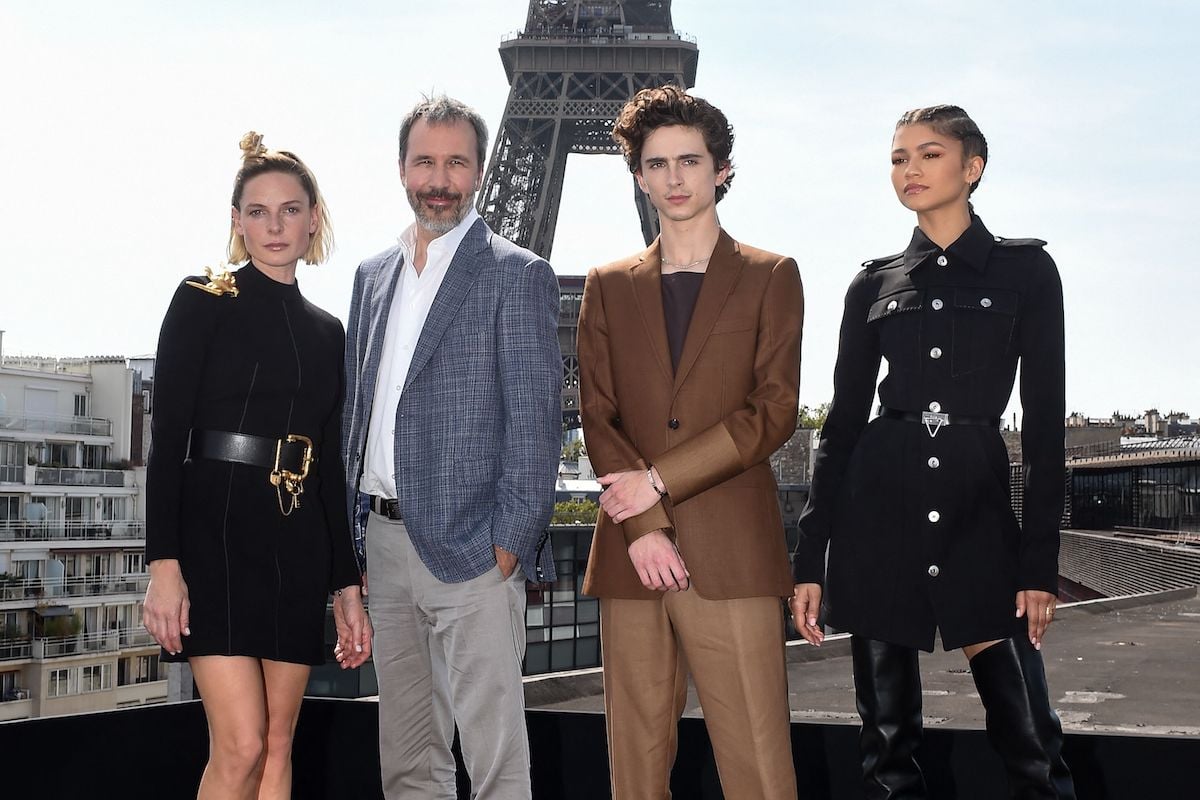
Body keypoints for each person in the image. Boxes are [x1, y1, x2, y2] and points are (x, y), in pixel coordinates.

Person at [791, 105, 1076, 799]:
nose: (909, 170)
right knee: (887, 750)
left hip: (979, 521)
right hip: (877, 520)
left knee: (1032, 739)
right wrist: (810, 558)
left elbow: (1042, 432)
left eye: (928, 154)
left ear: (971, 168)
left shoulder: (1028, 272)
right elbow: (842, 428)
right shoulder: (872, 284)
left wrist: (1038, 564)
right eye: (897, 158)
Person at [577, 85, 803, 799]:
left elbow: (773, 412)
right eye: (657, 164)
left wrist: (659, 482)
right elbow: (597, 416)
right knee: (633, 776)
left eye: (690, 161)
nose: (674, 179)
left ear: (722, 171)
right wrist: (643, 524)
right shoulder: (606, 285)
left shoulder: (772, 276)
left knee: (760, 771)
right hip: (630, 554)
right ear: (638, 175)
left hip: (732, 553)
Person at [341, 95, 560, 799]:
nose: (440, 178)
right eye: (425, 160)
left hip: (474, 549)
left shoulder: (516, 272)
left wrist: (508, 544)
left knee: (495, 760)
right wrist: (355, 541)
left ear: (482, 169)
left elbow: (535, 424)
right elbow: (357, 409)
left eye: (456, 162)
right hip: (384, 540)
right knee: (408, 758)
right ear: (402, 167)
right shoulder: (372, 277)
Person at [143, 132, 371, 800]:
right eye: (258, 211)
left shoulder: (329, 332)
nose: (275, 226)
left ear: (313, 220)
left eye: (291, 210)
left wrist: (348, 586)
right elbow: (166, 438)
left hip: (295, 543)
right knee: (239, 746)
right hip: (214, 539)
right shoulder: (201, 299)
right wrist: (163, 566)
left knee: (277, 745)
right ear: (237, 222)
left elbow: (327, 468)